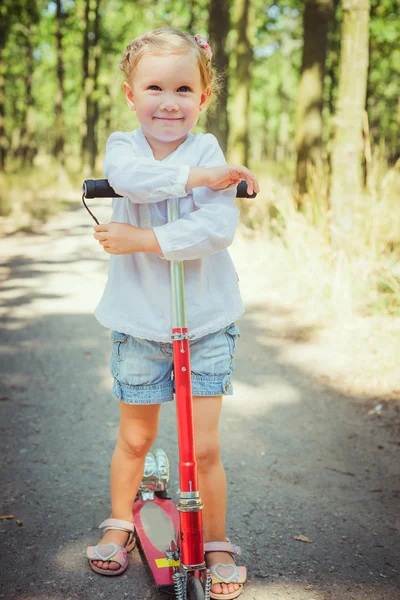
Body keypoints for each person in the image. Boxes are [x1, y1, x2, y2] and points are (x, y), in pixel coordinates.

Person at [86, 27, 259, 599]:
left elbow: (215, 227)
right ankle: (118, 521)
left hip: (205, 324)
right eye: (154, 87)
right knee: (136, 439)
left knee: (202, 446)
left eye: (184, 88)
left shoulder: (208, 150)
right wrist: (194, 181)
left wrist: (143, 238)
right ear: (131, 95)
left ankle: (213, 539)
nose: (169, 100)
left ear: (202, 98)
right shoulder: (125, 147)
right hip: (140, 326)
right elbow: (128, 180)